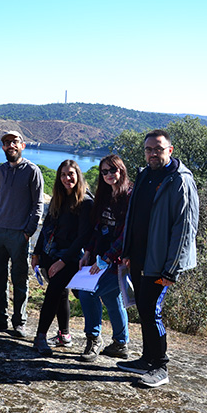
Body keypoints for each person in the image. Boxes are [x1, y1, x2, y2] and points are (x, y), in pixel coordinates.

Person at [116, 129, 199, 388]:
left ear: (170, 150)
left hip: (162, 263)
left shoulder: (180, 181)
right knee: (142, 307)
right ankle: (147, 359)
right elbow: (133, 216)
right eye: (149, 149)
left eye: (158, 149)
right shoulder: (144, 175)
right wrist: (127, 252)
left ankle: (161, 367)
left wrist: (172, 269)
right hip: (140, 258)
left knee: (152, 311)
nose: (153, 153)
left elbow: (185, 228)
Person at [0, 130, 44, 337]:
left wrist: (28, 232)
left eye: (14, 142)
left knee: (20, 279)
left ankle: (19, 321)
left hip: (19, 234)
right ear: (3, 147)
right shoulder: (1, 170)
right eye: (7, 143)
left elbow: (38, 204)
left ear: (22, 145)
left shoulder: (32, 170)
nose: (10, 146)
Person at [31, 160, 93, 355]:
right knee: (62, 293)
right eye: (64, 174)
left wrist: (62, 262)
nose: (67, 178)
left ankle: (40, 336)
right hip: (51, 253)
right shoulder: (58, 199)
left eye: (71, 174)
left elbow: (83, 237)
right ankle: (64, 334)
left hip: (72, 257)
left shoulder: (86, 202)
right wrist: (36, 253)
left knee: (55, 289)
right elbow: (46, 228)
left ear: (78, 175)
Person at [77, 154, 131, 361]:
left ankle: (94, 338)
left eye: (113, 170)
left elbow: (127, 234)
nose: (109, 175)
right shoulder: (103, 194)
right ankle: (120, 343)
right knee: (110, 297)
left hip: (118, 260)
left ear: (121, 170)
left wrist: (107, 259)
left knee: (88, 291)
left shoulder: (129, 195)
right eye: (104, 171)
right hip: (100, 255)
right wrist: (88, 253)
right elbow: (97, 229)